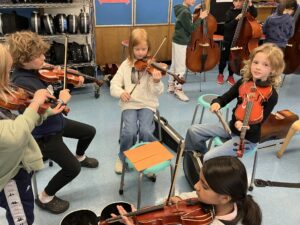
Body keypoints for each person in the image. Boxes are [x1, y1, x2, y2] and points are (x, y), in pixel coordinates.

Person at [6, 31, 99, 214]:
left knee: (89, 131)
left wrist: (72, 81)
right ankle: (45, 196)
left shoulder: (33, 71)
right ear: (24, 60)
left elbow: (53, 82)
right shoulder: (22, 82)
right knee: (72, 169)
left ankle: (80, 155)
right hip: (44, 134)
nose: (44, 58)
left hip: (56, 123)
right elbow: (46, 108)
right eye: (38, 56)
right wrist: (63, 100)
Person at [0, 43, 66, 225]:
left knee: (25, 208)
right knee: (22, 219)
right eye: (6, 73)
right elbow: (14, 135)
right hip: (7, 177)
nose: (9, 78)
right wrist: (35, 104)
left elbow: (20, 120)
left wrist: (47, 112)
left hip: (18, 166)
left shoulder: (4, 93)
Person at [185, 43, 285, 162]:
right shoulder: (243, 82)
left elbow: (259, 124)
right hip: (231, 126)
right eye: (255, 62)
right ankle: (197, 160)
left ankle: (206, 165)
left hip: (247, 139)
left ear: (273, 70)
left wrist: (245, 127)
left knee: (209, 158)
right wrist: (217, 103)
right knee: (193, 131)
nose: (258, 67)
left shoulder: (271, 95)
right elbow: (225, 97)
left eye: (265, 65)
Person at [114, 156, 262, 225]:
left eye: (204, 186)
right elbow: (189, 196)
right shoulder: (213, 200)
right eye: (199, 179)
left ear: (224, 198)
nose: (196, 186)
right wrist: (178, 201)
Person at [110, 28, 164, 174]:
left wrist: (157, 81)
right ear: (131, 49)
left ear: (149, 49)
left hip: (147, 104)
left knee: (146, 130)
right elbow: (113, 85)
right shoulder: (125, 65)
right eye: (137, 49)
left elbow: (157, 92)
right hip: (130, 104)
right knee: (129, 132)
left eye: (144, 49)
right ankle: (122, 157)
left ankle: (148, 159)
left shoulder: (151, 66)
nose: (141, 53)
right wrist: (121, 93)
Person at [168, 0, 208, 102]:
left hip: (177, 39)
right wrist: (200, 18)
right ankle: (178, 90)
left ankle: (171, 86)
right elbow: (191, 28)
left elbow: (186, 19)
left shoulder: (181, 8)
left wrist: (194, 11)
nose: (194, 0)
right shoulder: (185, 12)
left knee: (174, 64)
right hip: (181, 42)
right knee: (181, 67)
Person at [216, 0, 257, 86]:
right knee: (224, 58)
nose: (238, 3)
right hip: (228, 40)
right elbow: (227, 27)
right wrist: (236, 19)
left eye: (240, 1)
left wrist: (250, 4)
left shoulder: (246, 12)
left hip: (239, 41)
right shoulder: (229, 12)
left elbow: (254, 15)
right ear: (233, 3)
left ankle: (231, 76)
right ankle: (220, 74)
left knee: (233, 59)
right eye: (236, 1)